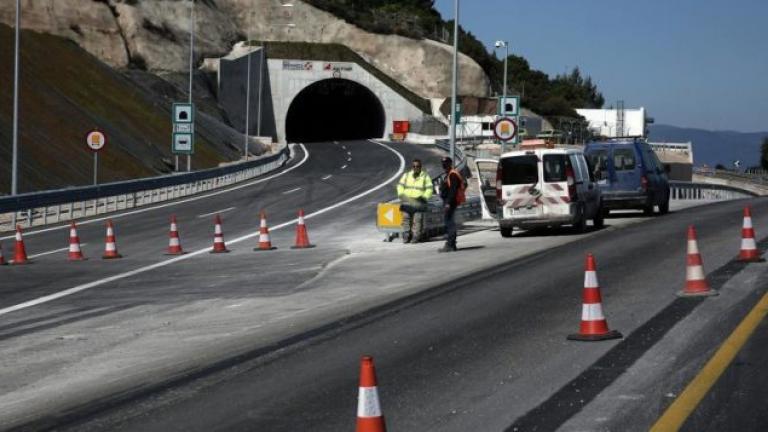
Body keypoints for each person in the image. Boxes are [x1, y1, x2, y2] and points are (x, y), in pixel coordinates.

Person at [396, 159, 433, 243]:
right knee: (406, 219)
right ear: (412, 167)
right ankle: (406, 236)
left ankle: (416, 237)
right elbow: (400, 186)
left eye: (418, 166)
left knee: (417, 220)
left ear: (421, 167)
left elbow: (430, 188)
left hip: (418, 202)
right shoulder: (406, 175)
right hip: (407, 201)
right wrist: (401, 194)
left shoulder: (425, 176)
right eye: (414, 166)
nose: (416, 168)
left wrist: (424, 197)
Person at [438, 157, 464, 253]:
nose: (444, 165)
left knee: (449, 223)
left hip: (450, 202)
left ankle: (450, 244)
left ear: (450, 164)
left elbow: (453, 190)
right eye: (443, 163)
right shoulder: (449, 174)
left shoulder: (453, 174)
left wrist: (448, 203)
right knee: (449, 222)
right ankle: (451, 244)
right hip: (449, 202)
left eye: (446, 163)